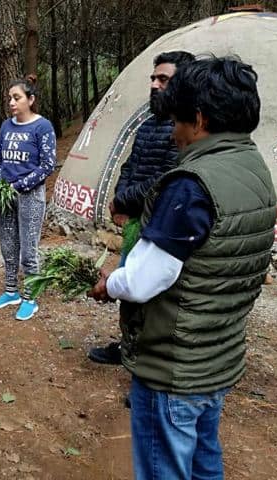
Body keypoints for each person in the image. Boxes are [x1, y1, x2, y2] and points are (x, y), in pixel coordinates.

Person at [88, 57, 277, 479]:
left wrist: (109, 283)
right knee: (204, 461)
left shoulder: (191, 184)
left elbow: (144, 280)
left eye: (177, 121)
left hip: (174, 366)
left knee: (164, 468)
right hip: (217, 356)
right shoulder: (253, 168)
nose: (173, 133)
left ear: (200, 118)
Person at [88, 51, 194, 365]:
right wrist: (120, 199)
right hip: (137, 218)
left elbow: (165, 179)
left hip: (161, 222)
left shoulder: (184, 130)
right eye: (153, 78)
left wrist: (124, 199)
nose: (154, 84)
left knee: (154, 295)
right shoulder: (149, 124)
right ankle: (128, 348)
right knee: (131, 286)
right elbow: (130, 166)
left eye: (163, 79)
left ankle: (147, 367)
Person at [0, 77, 57, 321]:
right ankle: (10, 292)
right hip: (6, 195)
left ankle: (30, 297)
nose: (11, 102)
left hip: (31, 196)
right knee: (8, 245)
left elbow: (48, 165)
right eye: (9, 98)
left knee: (29, 248)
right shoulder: (7, 126)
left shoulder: (42, 127)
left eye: (17, 98)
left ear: (31, 100)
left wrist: (20, 185)